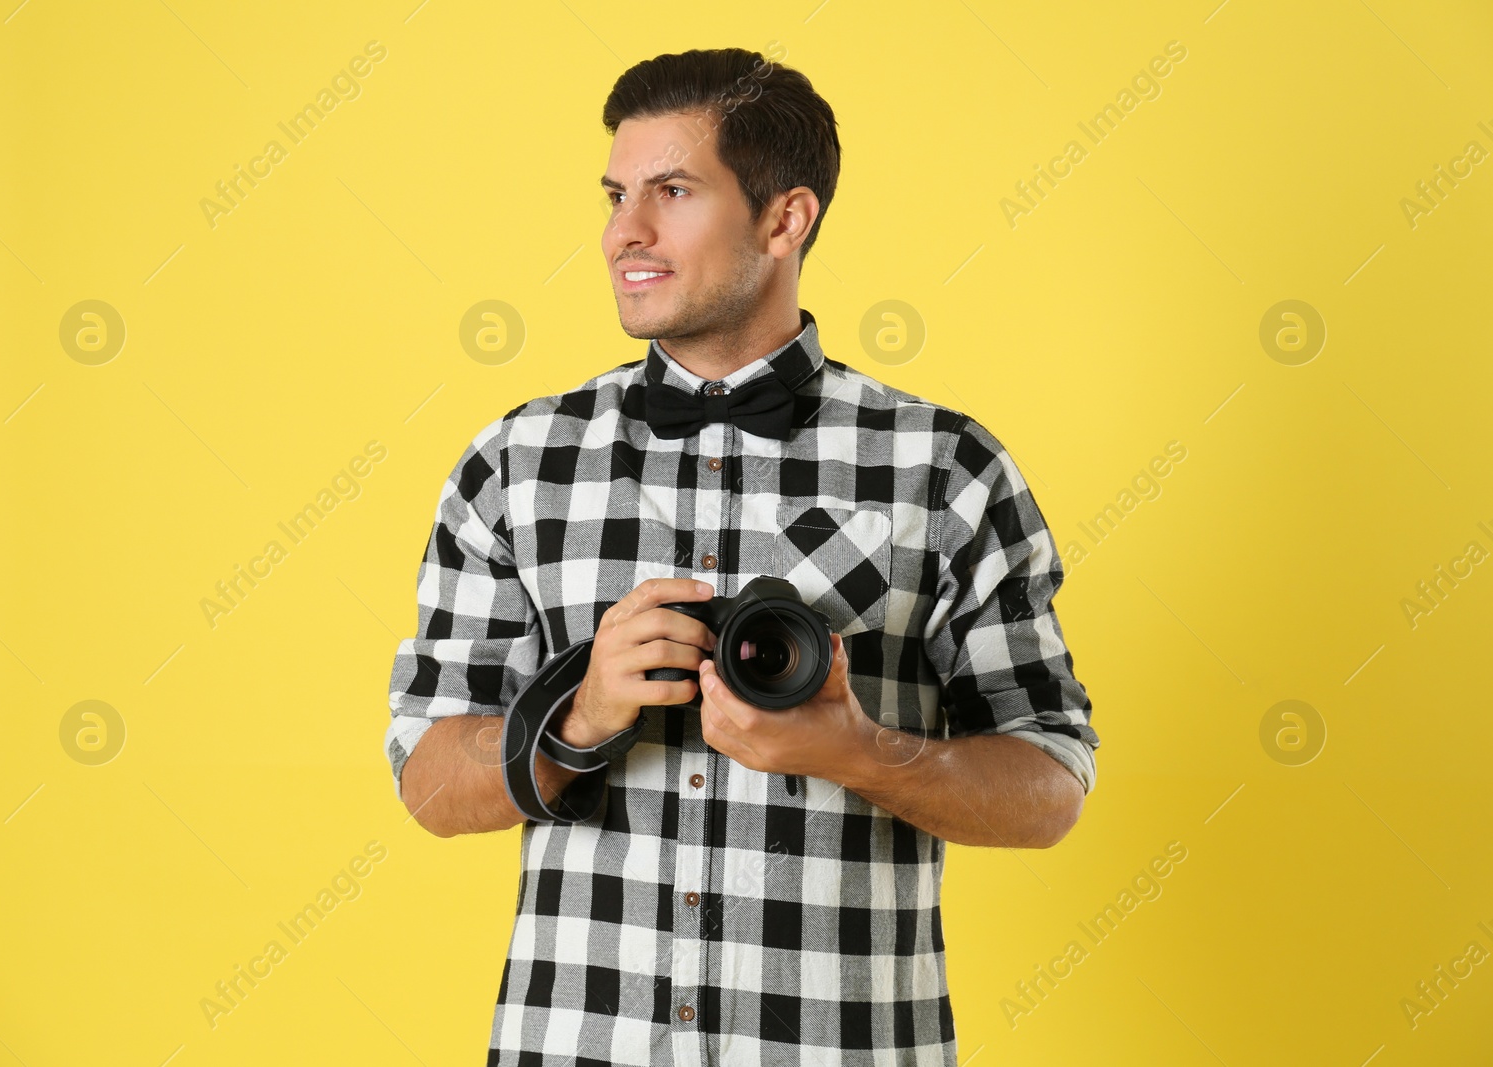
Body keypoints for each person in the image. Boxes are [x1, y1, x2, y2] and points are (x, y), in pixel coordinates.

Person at [385, 46, 1099, 1067]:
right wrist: (579, 715)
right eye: (616, 193)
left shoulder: (946, 467)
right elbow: (425, 775)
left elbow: (1050, 781)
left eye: (671, 191)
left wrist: (856, 751)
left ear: (784, 218)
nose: (622, 232)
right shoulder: (517, 462)